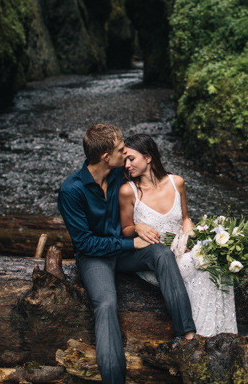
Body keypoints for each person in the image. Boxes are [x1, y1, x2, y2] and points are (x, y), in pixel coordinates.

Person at [57, 124, 195, 384]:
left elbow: (153, 181)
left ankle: (187, 337)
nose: (126, 153)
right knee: (106, 304)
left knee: (162, 254)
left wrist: (143, 226)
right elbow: (85, 244)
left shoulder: (122, 172)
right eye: (122, 150)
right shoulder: (71, 190)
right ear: (106, 157)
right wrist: (131, 244)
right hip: (95, 257)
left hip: (124, 251)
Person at [119, 133, 238, 336]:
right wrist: (138, 228)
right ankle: (200, 335)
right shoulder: (128, 191)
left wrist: (191, 235)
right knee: (198, 265)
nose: (127, 165)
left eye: (131, 158)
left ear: (148, 157)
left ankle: (222, 332)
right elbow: (126, 229)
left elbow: (185, 218)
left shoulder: (177, 183)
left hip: (182, 249)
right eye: (124, 161)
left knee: (214, 261)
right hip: (156, 261)